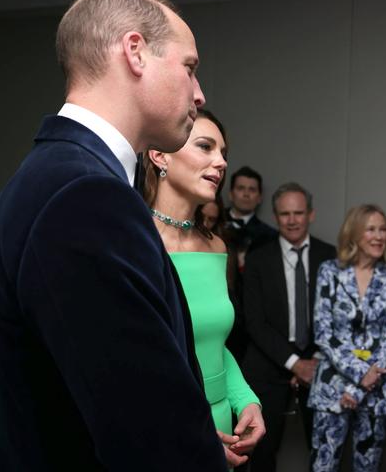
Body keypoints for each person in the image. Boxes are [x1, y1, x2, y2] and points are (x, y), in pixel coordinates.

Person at [0, 0, 226, 471]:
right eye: (190, 67)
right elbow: (147, 436)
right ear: (135, 52)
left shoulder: (53, 173)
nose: (200, 94)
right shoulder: (86, 194)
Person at [143, 109, 265, 468]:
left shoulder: (215, 247)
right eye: (205, 147)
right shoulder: (134, 243)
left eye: (223, 152)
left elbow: (213, 346)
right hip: (160, 429)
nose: (220, 162)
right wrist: (186, 428)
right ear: (160, 155)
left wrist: (248, 402)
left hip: (221, 425)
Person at [242, 182, 336, 472]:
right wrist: (295, 364)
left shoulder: (330, 255)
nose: (292, 220)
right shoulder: (258, 259)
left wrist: (314, 362)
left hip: (319, 363)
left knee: (325, 453)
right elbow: (254, 322)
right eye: (285, 214)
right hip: (269, 365)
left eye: (298, 213)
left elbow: (337, 317)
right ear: (275, 216)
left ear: (311, 214)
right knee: (260, 454)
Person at [308, 204, 386, 472]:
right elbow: (323, 333)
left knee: (368, 467)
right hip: (332, 387)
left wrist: (361, 385)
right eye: (371, 229)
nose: (378, 236)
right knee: (323, 466)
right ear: (354, 234)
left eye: (383, 229)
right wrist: (359, 374)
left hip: (376, 389)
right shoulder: (329, 272)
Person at [224, 166, 278, 362]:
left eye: (252, 189)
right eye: (241, 188)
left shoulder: (271, 236)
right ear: (231, 193)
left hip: (253, 317)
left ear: (260, 197)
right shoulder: (210, 223)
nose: (246, 194)